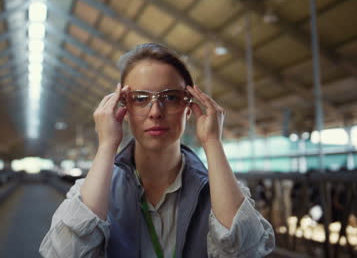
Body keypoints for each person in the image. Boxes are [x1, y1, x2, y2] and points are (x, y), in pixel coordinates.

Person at [39, 43, 275, 257]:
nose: (155, 112)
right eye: (140, 98)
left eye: (171, 97)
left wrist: (212, 142)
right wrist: (106, 146)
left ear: (189, 107)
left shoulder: (218, 191)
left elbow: (247, 252)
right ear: (123, 108)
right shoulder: (94, 191)